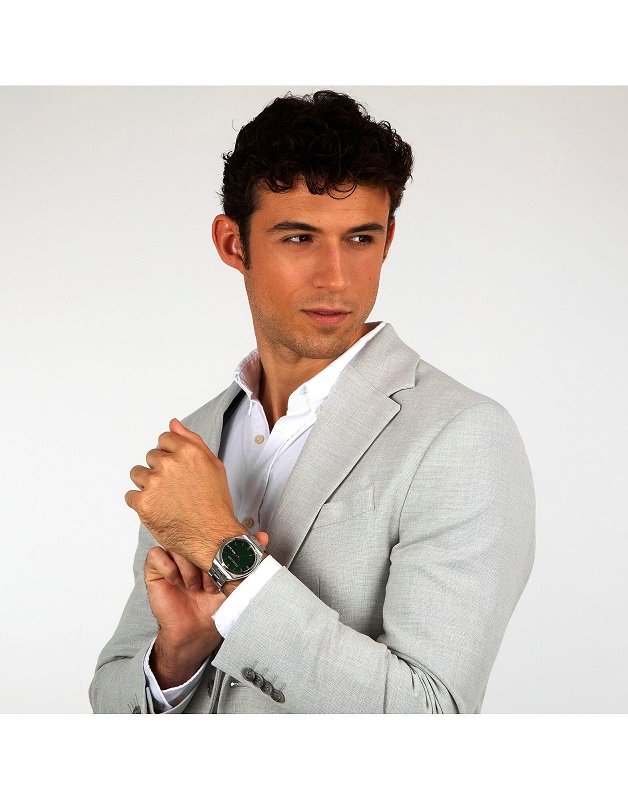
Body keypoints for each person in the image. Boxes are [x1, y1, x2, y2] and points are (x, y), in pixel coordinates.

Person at [89, 89, 535, 714]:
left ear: (388, 239)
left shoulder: (462, 436)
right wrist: (177, 658)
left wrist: (225, 551)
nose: (336, 277)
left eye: (360, 238)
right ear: (233, 244)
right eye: (299, 237)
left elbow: (434, 716)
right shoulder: (197, 438)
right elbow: (109, 697)